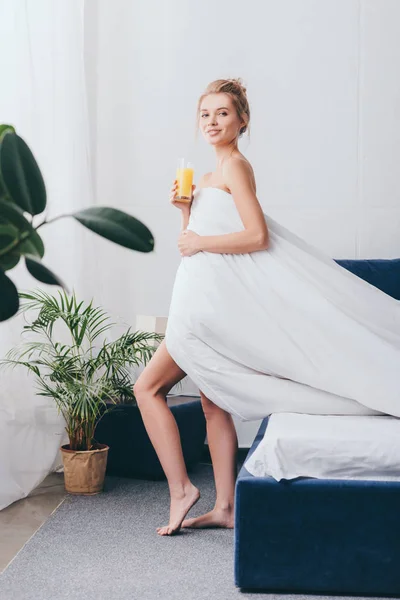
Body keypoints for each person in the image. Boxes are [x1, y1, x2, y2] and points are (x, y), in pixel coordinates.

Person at [134, 78, 400, 537]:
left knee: (146, 389)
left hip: (204, 307)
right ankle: (227, 507)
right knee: (213, 404)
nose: (212, 122)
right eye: (205, 114)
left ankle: (181, 490)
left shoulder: (236, 165)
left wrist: (198, 238)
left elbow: (257, 237)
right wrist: (185, 212)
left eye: (222, 113)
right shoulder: (209, 174)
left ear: (242, 120)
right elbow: (192, 246)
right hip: (199, 294)